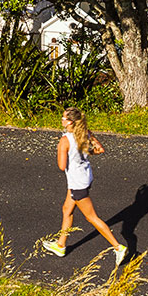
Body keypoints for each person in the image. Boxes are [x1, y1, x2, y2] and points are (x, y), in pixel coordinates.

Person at [42, 107, 126, 264]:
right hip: (85, 176)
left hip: (77, 183)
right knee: (67, 209)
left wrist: (62, 151)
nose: (62, 120)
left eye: (64, 118)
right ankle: (61, 245)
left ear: (71, 122)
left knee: (91, 217)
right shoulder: (85, 133)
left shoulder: (65, 141)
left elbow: (61, 166)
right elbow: (99, 149)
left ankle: (118, 247)